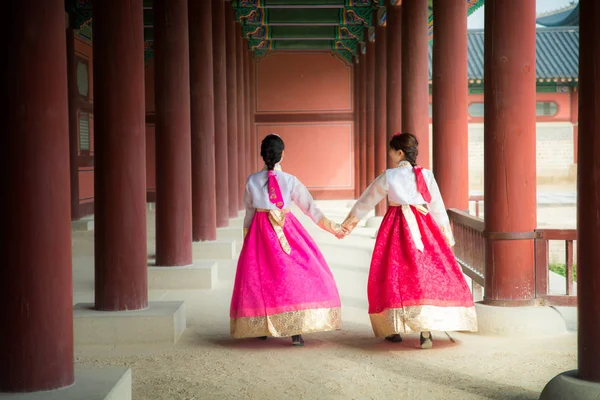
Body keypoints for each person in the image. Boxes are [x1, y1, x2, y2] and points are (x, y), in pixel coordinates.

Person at [340, 132, 477, 349]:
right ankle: (426, 329)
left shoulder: (390, 176)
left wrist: (348, 224)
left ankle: (394, 327)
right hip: (424, 227)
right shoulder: (427, 176)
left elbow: (367, 200)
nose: (389, 153)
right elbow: (438, 207)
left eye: (391, 149)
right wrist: (446, 237)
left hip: (396, 228)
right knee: (424, 274)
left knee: (394, 274)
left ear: (399, 152)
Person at [230, 134, 345, 346]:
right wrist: (333, 227)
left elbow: (248, 212)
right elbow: (310, 208)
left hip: (259, 232)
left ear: (262, 155)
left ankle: (261, 324)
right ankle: (295, 330)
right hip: (286, 228)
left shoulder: (252, 180)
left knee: (260, 276)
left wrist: (247, 238)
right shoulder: (290, 180)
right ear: (282, 154)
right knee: (291, 274)